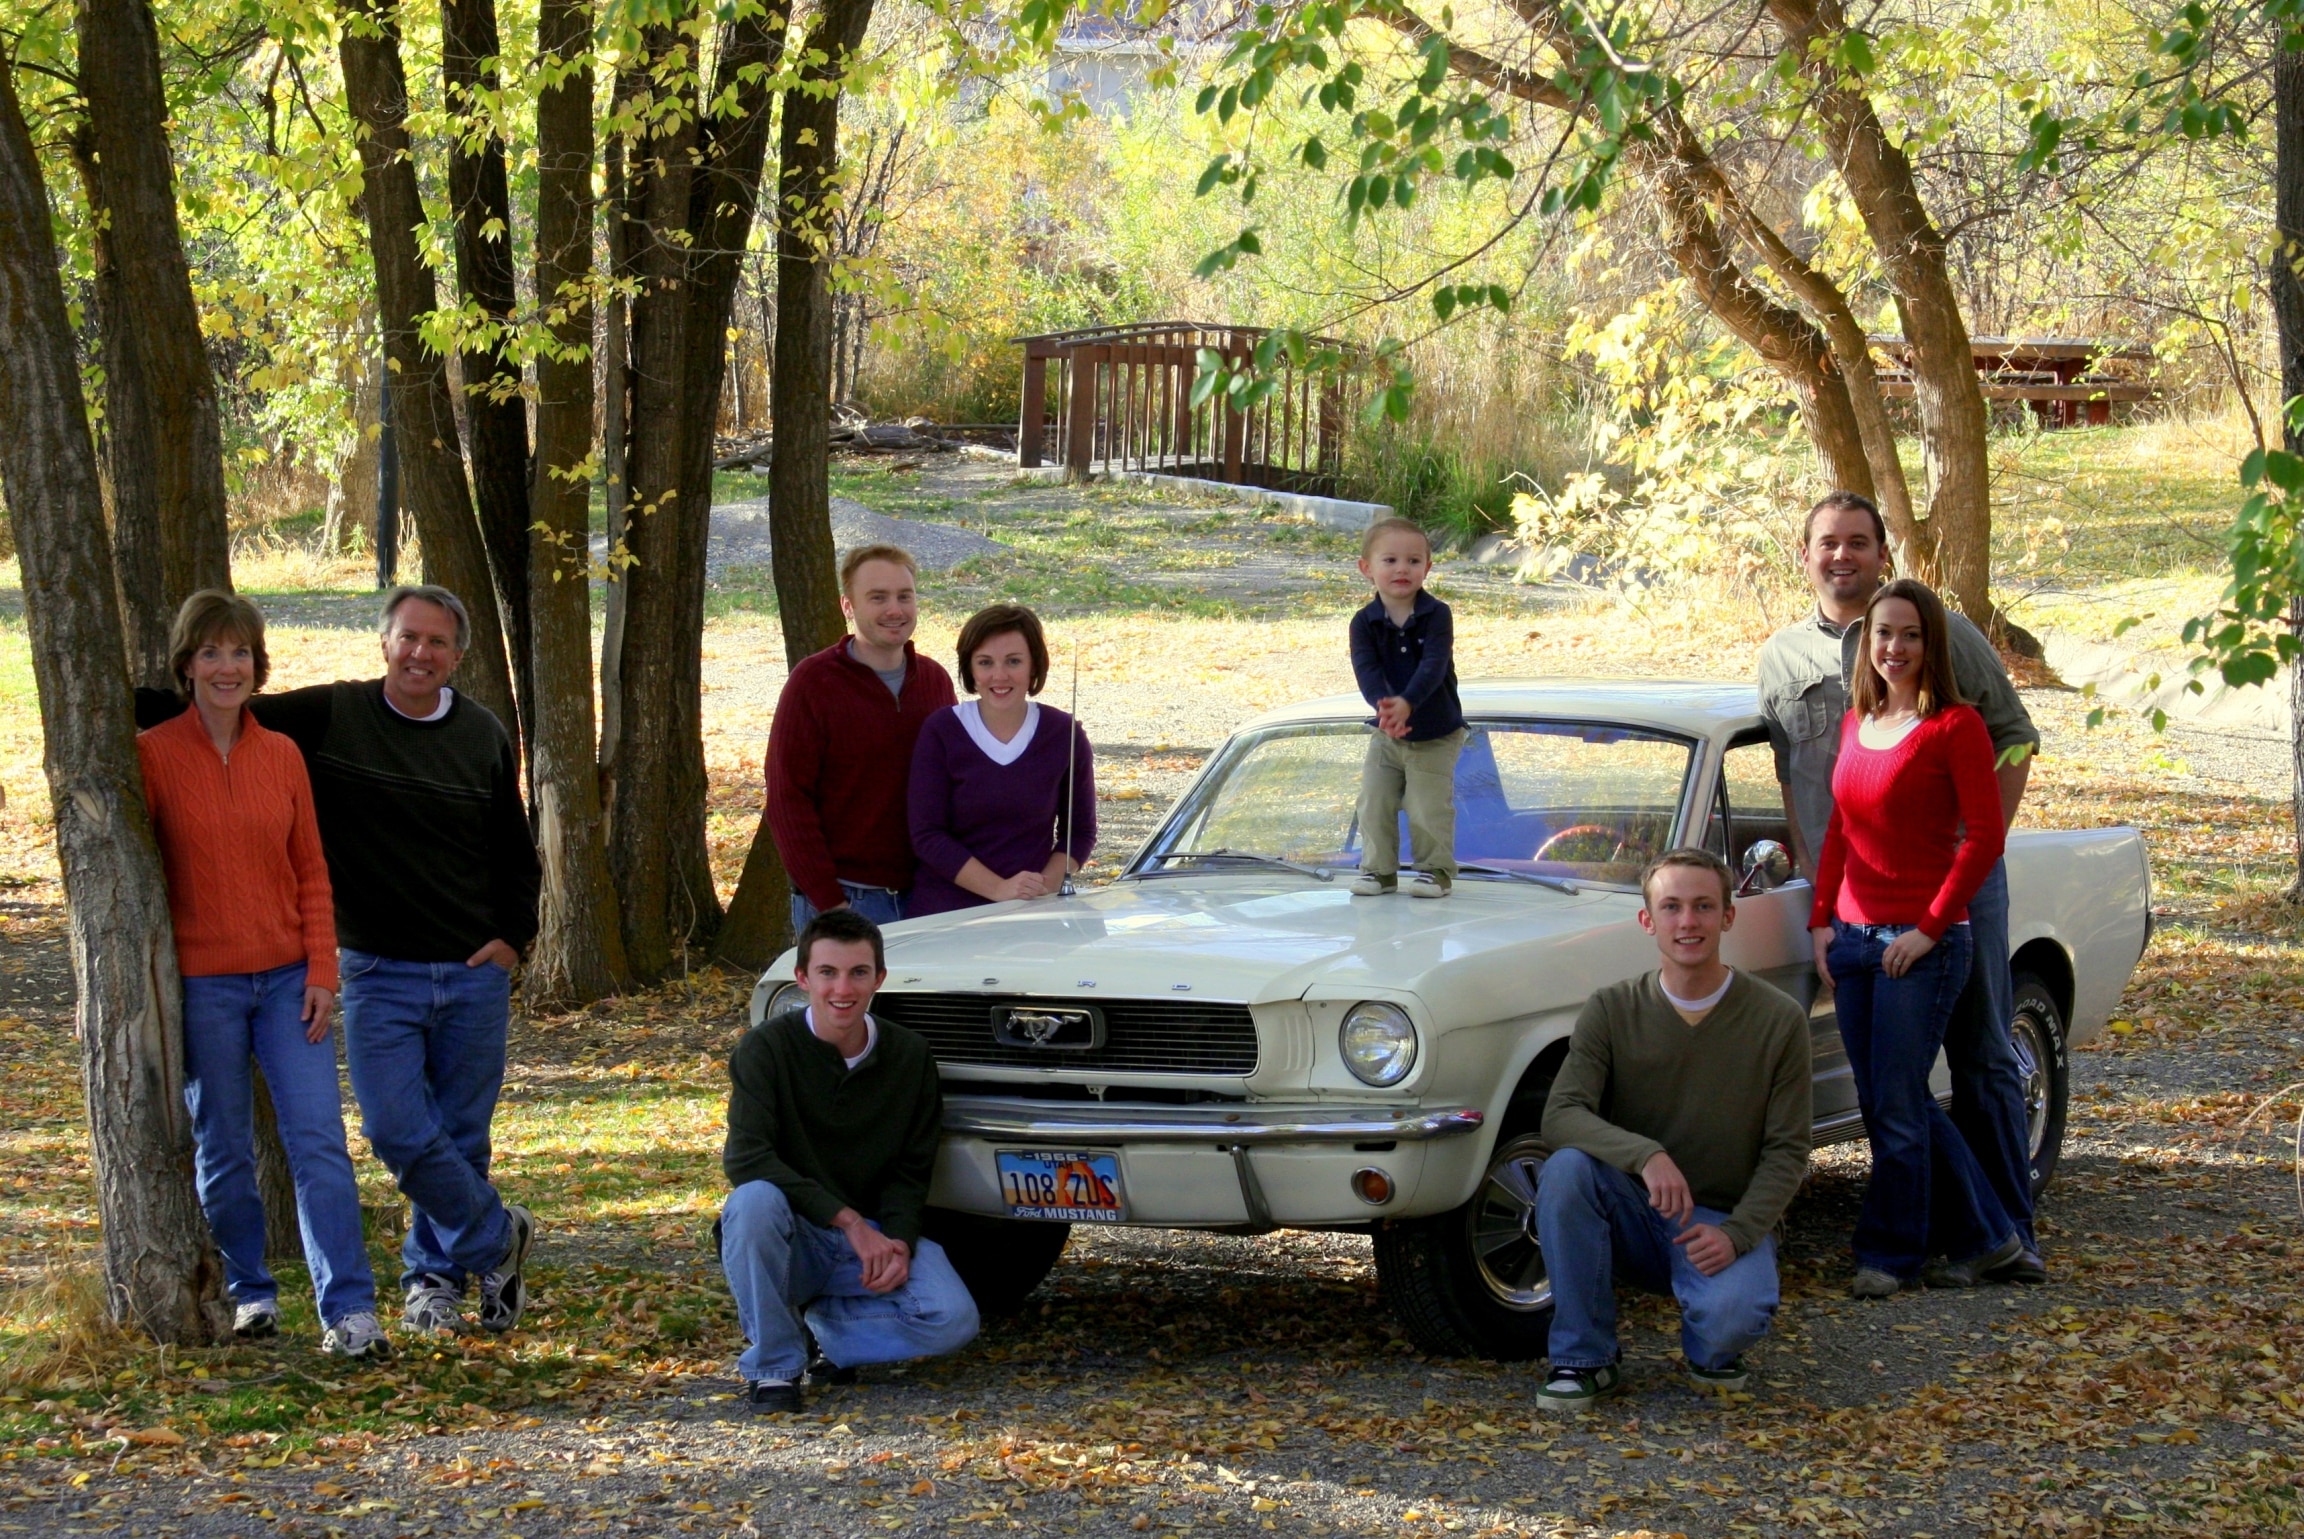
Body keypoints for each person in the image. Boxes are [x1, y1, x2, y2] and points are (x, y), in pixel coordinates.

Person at [137, 584, 542, 1339]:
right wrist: (120, 704)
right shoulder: (330, 716)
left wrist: (514, 938)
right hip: (378, 969)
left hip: (470, 969)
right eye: (408, 637)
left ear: (458, 655)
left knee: (459, 1135)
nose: (421, 653)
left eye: (437, 642)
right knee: (395, 1127)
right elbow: (228, 711)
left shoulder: (484, 732)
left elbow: (515, 848)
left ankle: (432, 1284)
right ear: (384, 643)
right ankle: (496, 1237)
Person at [1757, 491, 2047, 1285]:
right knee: (1897, 1087)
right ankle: (1968, 1233)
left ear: (1883, 553)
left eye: (1859, 542)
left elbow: (2015, 737)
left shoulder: (1937, 629)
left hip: (1952, 889)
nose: (1842, 555)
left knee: (1981, 1055)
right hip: (1854, 902)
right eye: (1828, 542)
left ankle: (2010, 1233)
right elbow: (1798, 777)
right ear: (1805, 553)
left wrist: (1969, 857)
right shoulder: (1783, 658)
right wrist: (1821, 893)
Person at [136, 592, 386, 1359]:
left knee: (318, 1142)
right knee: (224, 1150)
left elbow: (312, 869)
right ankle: (250, 1293)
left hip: (287, 984)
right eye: (210, 652)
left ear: (256, 664)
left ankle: (350, 1310)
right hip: (203, 987)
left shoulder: (280, 754)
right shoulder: (151, 756)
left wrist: (321, 970)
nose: (226, 667)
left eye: (239, 652)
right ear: (186, 665)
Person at [1534, 849, 1812, 1412]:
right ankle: (1583, 1358)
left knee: (1732, 1323)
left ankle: (1710, 1343)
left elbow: (1788, 1150)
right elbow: (1560, 1115)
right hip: (1633, 1210)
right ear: (1648, 920)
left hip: (1720, 1219)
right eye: (1673, 907)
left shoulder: (1778, 1019)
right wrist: (1645, 1155)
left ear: (1728, 917)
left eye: (1704, 906)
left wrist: (1737, 1234)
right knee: (1567, 1169)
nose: (1689, 922)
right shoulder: (1611, 1009)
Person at [1809, 579, 2022, 1299]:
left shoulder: (1955, 726)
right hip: (1855, 941)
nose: (1894, 648)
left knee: (1900, 1106)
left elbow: (1985, 837)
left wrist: (1930, 930)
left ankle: (1889, 1254)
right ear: (1865, 646)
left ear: (1932, 645)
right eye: (1883, 635)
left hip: (1920, 945)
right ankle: (1992, 1236)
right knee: (1887, 1105)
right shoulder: (1854, 722)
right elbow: (1840, 827)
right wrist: (1819, 921)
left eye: (1909, 635)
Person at [719, 909, 980, 1412]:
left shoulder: (908, 1055)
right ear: (803, 978)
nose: (844, 988)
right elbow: (747, 1159)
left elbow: (911, 1166)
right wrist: (848, 1221)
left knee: (952, 1318)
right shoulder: (764, 1049)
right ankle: (775, 1367)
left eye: (859, 972)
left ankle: (820, 1330)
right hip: (793, 1237)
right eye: (827, 972)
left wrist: (898, 1241)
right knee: (751, 1201)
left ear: (879, 978)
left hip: (871, 1240)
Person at [766, 544, 958, 931]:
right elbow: (788, 799)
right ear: (848, 607)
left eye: (905, 596)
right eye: (878, 597)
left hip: (928, 897)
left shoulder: (934, 681)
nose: (895, 609)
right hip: (846, 899)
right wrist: (831, 905)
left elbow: (955, 784)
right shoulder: (814, 683)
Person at [906, 604, 1095, 916]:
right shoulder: (942, 730)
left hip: (1029, 915)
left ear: (1034, 665)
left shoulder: (1064, 734)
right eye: (985, 662)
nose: (999, 675)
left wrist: (1040, 888)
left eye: (1014, 661)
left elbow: (1080, 832)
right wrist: (999, 889)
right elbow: (927, 835)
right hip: (946, 915)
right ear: (970, 668)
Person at [1347, 517, 1465, 898]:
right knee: (1374, 800)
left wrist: (1407, 703)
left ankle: (1436, 871)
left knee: (1425, 805)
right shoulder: (1363, 622)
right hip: (1387, 733)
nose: (1402, 569)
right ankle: (1378, 871)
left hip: (1434, 733)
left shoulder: (1437, 615)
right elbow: (1367, 672)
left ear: (1427, 568)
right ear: (1367, 568)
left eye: (1414, 561)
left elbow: (1433, 667)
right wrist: (1385, 709)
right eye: (1390, 560)